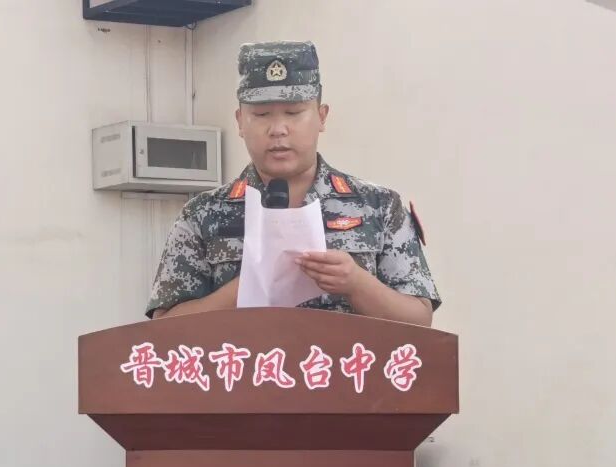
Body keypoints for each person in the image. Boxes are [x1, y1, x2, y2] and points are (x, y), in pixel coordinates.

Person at [145, 40, 440, 326]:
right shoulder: (202, 214)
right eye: (261, 115)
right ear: (240, 121)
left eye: (294, 113)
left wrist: (356, 283)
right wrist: (246, 288)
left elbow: (419, 319)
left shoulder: (379, 206)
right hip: (247, 361)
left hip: (344, 362)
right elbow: (164, 329)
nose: (278, 129)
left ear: (322, 117)